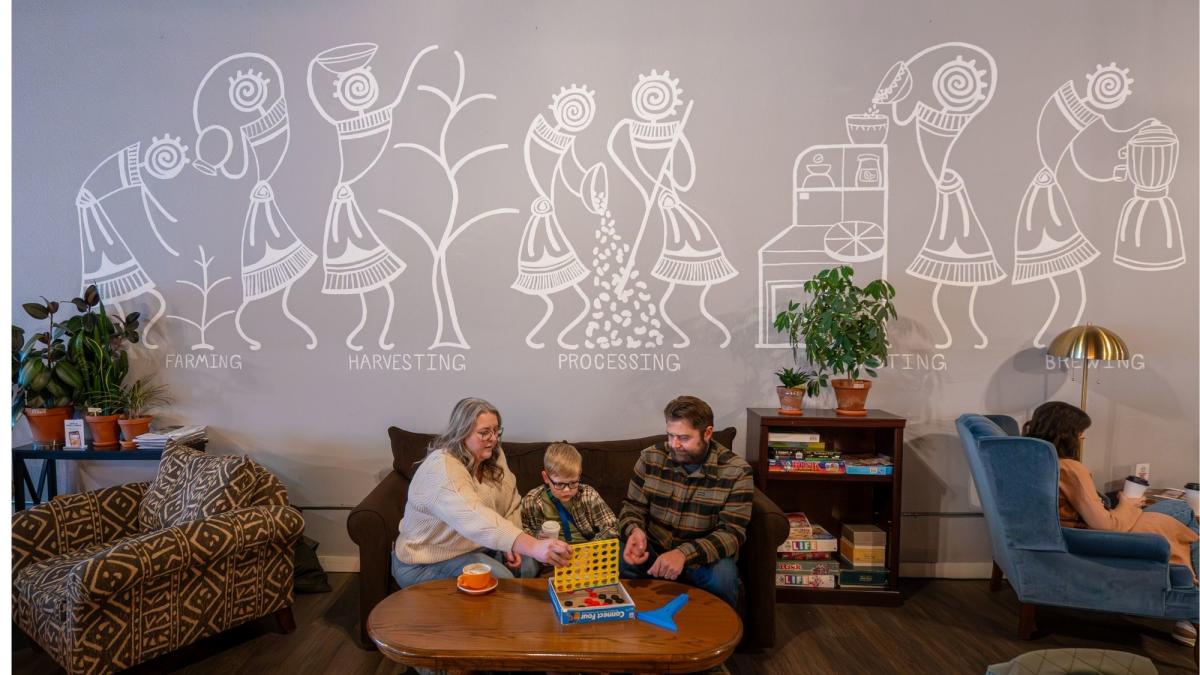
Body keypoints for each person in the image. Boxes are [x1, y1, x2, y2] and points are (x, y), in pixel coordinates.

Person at [1025, 401, 1198, 646]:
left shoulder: (1034, 458)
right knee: (1184, 512)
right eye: (1080, 431)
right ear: (1067, 433)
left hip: (1073, 533)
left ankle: (1189, 614)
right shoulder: (1071, 469)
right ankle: (1191, 612)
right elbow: (1107, 526)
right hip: (1100, 537)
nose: (1083, 437)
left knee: (1185, 521)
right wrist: (1128, 503)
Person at [391, 398, 572, 589]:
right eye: (484, 433)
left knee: (528, 564)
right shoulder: (442, 470)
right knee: (502, 579)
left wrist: (509, 543)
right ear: (461, 433)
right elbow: (474, 518)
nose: (493, 439)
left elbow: (510, 500)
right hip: (425, 561)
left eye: (496, 431)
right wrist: (531, 545)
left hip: (476, 546)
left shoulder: (492, 453)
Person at [618, 395, 753, 608]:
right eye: (670, 436)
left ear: (707, 433)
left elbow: (732, 534)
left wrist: (683, 553)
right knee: (618, 558)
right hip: (653, 550)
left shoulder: (736, 472)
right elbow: (632, 507)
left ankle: (721, 638)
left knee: (723, 578)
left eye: (683, 438)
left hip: (702, 560)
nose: (674, 444)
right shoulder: (650, 458)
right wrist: (635, 531)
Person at [518, 443, 619, 578]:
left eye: (573, 483)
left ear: (579, 475)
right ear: (546, 478)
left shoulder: (587, 495)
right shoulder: (532, 501)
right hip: (551, 561)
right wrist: (537, 537)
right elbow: (522, 531)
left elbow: (612, 526)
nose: (567, 490)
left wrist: (590, 550)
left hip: (587, 559)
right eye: (559, 484)